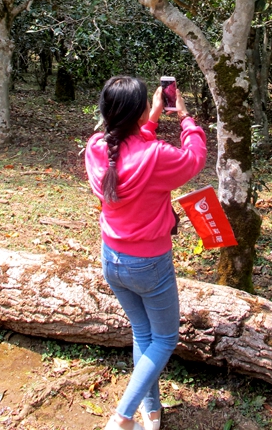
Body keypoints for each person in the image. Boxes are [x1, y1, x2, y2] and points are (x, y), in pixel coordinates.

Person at [85, 76, 207, 430]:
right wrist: (184, 117)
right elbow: (194, 159)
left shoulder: (96, 147)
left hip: (112, 259)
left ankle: (150, 413)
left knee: (143, 335)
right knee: (166, 339)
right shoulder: (156, 157)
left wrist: (150, 121)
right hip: (149, 265)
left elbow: (132, 153)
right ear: (138, 110)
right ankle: (122, 419)